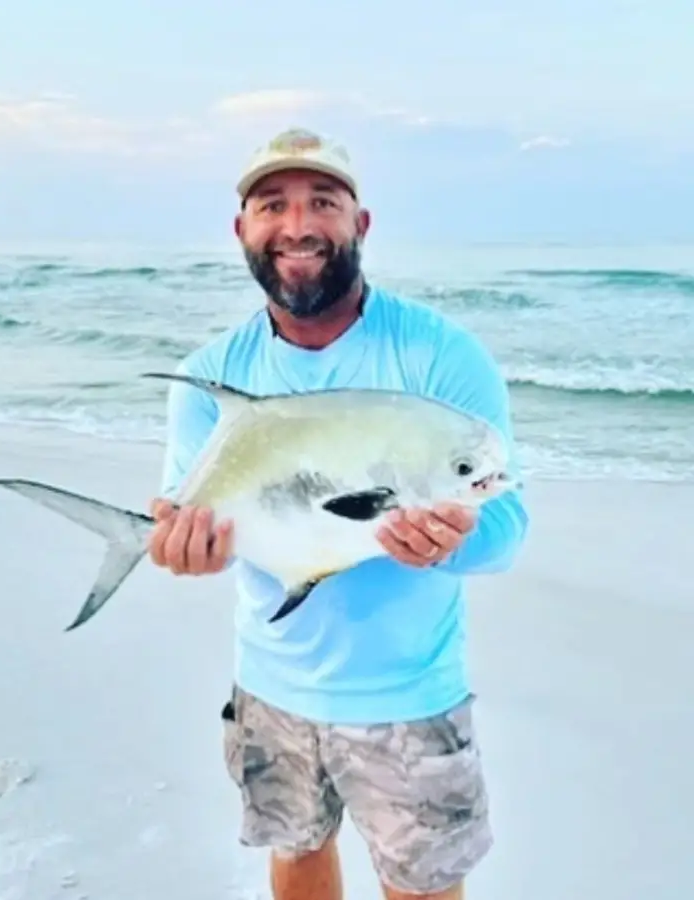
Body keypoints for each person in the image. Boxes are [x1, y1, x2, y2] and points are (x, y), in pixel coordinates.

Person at [147, 127, 530, 900]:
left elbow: (506, 529)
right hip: (269, 685)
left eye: (323, 201)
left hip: (410, 697)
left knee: (423, 889)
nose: (297, 225)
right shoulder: (210, 375)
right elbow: (196, 524)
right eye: (271, 205)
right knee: (294, 859)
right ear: (242, 230)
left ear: (360, 223)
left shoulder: (440, 357)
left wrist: (448, 542)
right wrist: (179, 547)